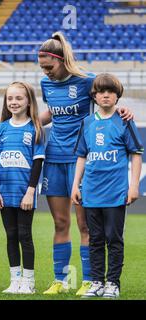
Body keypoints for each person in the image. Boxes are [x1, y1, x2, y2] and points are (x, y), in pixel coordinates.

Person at [38, 32, 133, 295]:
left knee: (85, 226)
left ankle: (90, 280)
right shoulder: (46, 85)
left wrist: (123, 109)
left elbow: (108, 99)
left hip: (81, 161)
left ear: (62, 60)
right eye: (42, 67)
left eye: (49, 66)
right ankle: (61, 279)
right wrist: (29, 122)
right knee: (59, 222)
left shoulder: (86, 81)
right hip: (54, 158)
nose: (45, 72)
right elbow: (51, 113)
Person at [71, 73, 143, 299]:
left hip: (115, 192)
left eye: (110, 92)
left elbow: (136, 154)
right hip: (91, 191)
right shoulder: (87, 122)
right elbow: (81, 156)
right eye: (101, 92)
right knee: (95, 239)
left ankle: (112, 283)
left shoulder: (124, 120)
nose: (105, 95)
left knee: (114, 238)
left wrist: (133, 187)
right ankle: (96, 282)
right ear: (94, 95)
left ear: (117, 95)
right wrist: (76, 185)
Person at [0, 81, 45, 294]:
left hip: (24, 194)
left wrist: (30, 191)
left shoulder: (35, 129)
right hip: (4, 193)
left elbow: (38, 163)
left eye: (19, 98)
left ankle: (28, 281)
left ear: (29, 101)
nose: (14, 102)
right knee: (10, 235)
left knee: (24, 235)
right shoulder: (1, 128)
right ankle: (15, 280)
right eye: (10, 98)